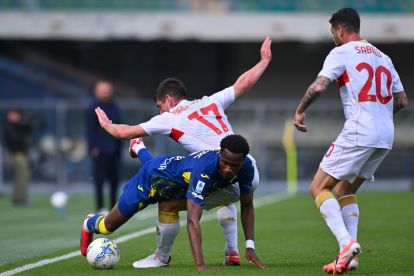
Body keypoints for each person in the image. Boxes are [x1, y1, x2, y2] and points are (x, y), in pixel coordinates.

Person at [94, 37, 272, 267]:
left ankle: (161, 257)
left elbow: (126, 131)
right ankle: (232, 251)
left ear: (167, 99)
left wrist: (108, 126)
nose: (159, 110)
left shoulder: (170, 117)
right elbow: (243, 83)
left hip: (221, 170)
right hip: (246, 166)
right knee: (220, 190)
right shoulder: (211, 101)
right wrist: (264, 61)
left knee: (168, 203)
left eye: (159, 105)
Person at [292, 8, 408, 274]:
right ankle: (351, 258)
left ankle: (346, 244)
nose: (333, 36)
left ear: (340, 30)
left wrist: (299, 111)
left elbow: (319, 86)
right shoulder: (384, 57)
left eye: (333, 32)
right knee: (345, 190)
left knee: (318, 188)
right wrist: (379, 115)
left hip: (360, 130)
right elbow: (402, 100)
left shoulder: (341, 52)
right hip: (385, 135)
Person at [80, 135, 266, 271]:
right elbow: (193, 220)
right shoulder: (205, 170)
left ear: (243, 161)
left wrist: (250, 245)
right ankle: (89, 223)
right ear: (219, 155)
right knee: (107, 226)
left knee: (168, 203)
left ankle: (161, 258)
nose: (228, 169)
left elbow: (248, 205)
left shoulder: (247, 168)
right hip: (149, 182)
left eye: (234, 165)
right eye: (224, 162)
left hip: (171, 177)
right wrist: (200, 265)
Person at [85, 80, 122, 212]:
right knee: (99, 180)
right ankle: (100, 207)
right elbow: (90, 130)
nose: (105, 93)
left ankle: (114, 207)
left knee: (115, 180)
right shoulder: (92, 108)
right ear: (96, 91)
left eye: (106, 90)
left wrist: (119, 146)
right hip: (100, 150)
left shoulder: (114, 106)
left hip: (114, 149)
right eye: (102, 90)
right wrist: (93, 147)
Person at [3, 107, 33, 207]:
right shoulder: (9, 127)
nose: (16, 116)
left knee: (21, 177)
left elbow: (30, 129)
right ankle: (20, 199)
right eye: (14, 114)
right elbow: (15, 141)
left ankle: (18, 199)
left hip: (22, 154)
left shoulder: (19, 126)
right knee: (22, 177)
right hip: (17, 154)